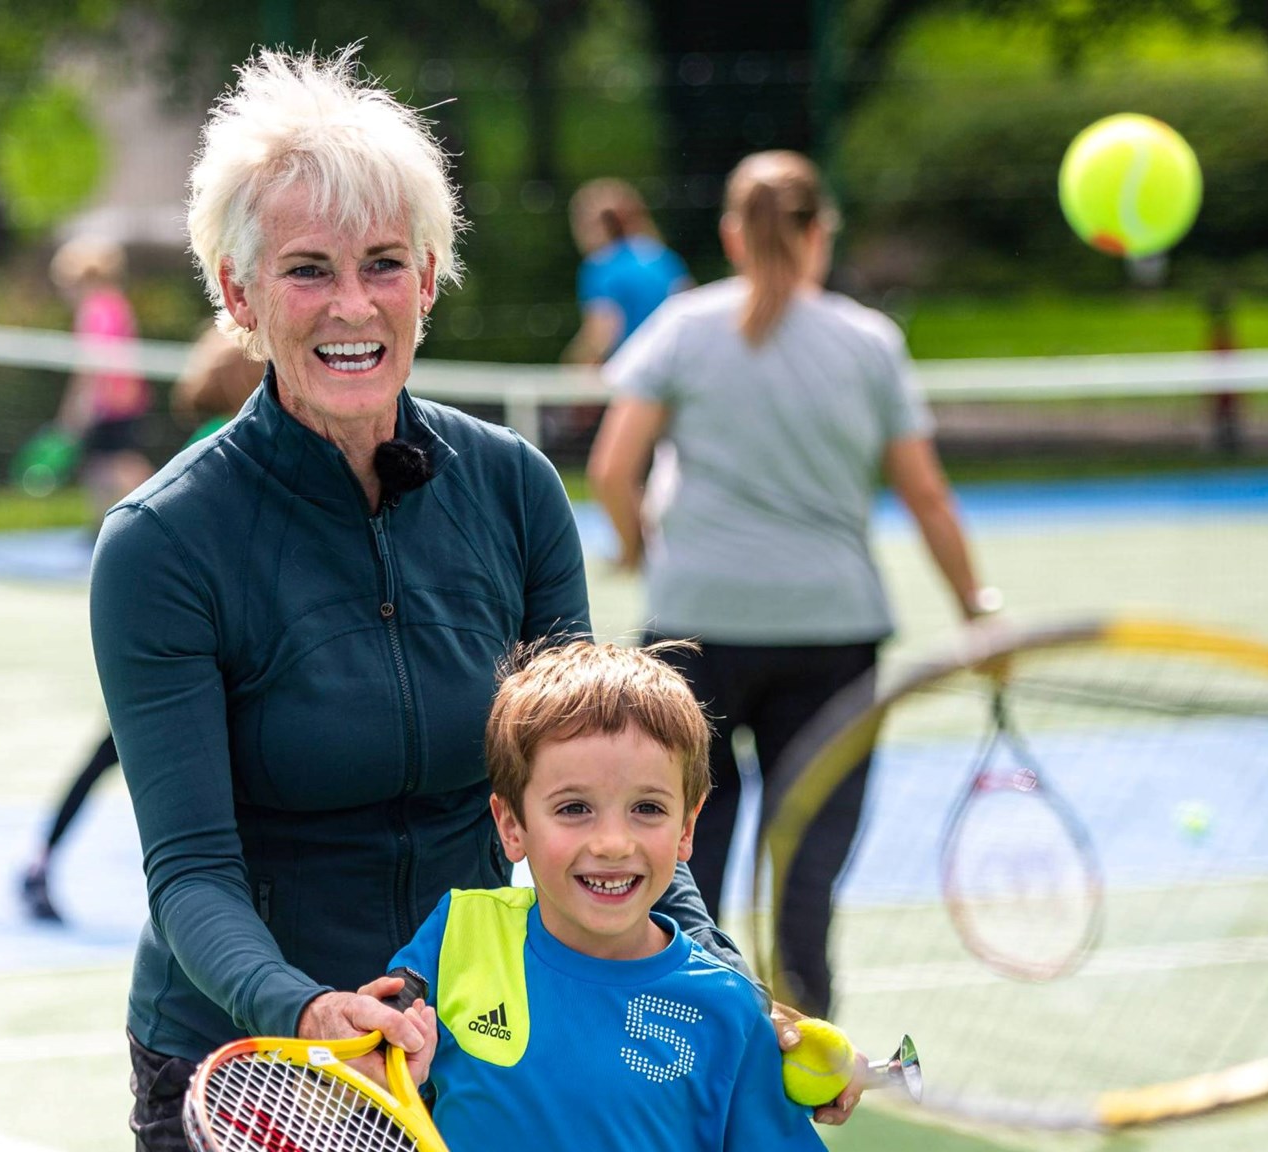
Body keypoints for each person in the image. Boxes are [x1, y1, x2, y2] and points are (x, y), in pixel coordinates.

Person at [89, 48, 801, 1151]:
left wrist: (728, 995)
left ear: (426, 280)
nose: (352, 305)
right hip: (254, 1062)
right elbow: (190, 874)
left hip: (474, 1040)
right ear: (237, 294)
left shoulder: (513, 487)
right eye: (306, 270)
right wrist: (306, 1010)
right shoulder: (160, 548)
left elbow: (603, 779)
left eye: (382, 264)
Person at [588, 151, 998, 1020]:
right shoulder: (868, 343)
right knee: (809, 853)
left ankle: (682, 1029)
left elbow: (613, 468)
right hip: (833, 630)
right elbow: (925, 495)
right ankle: (805, 1034)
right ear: (819, 235)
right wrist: (977, 609)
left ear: (733, 235)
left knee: (684, 842)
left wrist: (638, 547)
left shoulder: (681, 327)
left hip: (694, 625)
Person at [388, 639, 827, 1151]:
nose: (614, 844)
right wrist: (390, 1067)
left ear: (687, 827)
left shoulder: (728, 1009)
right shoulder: (458, 933)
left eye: (647, 808)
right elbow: (372, 1074)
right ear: (511, 825)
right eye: (574, 808)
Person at [18, 327, 261, 925]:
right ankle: (43, 860)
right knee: (124, 757)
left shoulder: (250, 439)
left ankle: (42, 859)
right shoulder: (231, 444)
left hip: (216, 645)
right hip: (199, 648)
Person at [51, 236, 153, 521]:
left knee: (117, 465)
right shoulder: (117, 303)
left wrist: (73, 413)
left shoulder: (94, 309)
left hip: (112, 403)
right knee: (102, 465)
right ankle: (103, 527)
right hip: (126, 400)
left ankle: (152, 514)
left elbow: (91, 365)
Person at [563, 178, 693, 367]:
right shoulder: (664, 257)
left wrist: (575, 373)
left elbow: (602, 334)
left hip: (632, 376)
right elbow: (691, 309)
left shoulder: (601, 266)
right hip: (674, 369)